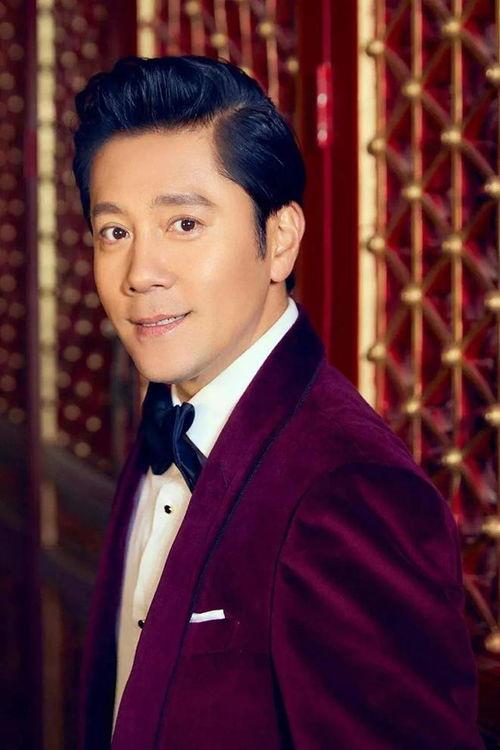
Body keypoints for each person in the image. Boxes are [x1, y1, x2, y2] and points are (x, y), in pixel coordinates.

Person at [72, 55, 483, 750]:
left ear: (281, 240)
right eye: (116, 232)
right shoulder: (170, 418)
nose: (140, 273)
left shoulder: (350, 489)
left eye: (184, 224)